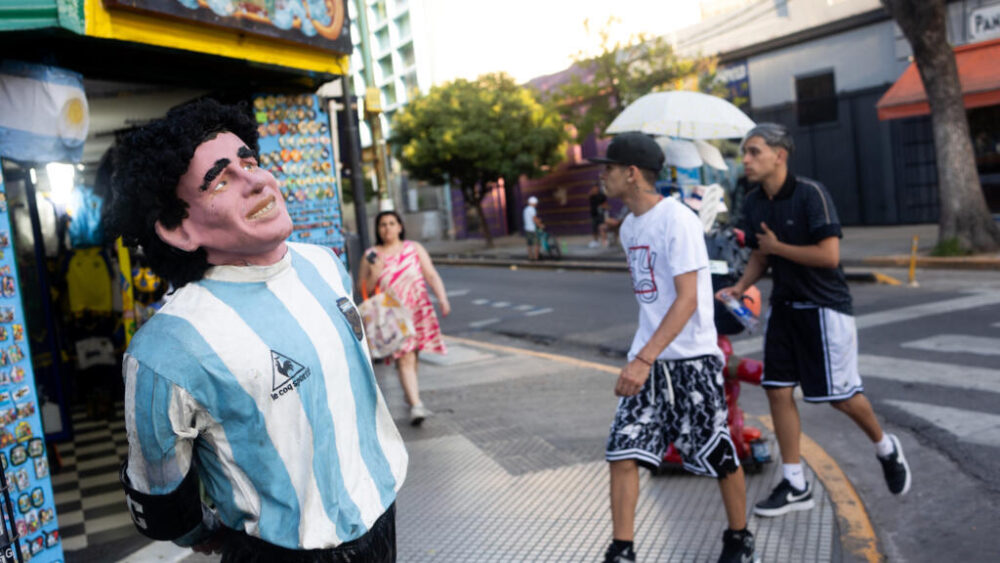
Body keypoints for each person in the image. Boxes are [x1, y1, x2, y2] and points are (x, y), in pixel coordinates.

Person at [105, 98, 407, 562]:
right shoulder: (166, 348)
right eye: (220, 180)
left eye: (250, 161)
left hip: (382, 516)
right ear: (177, 227)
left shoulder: (323, 264)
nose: (257, 180)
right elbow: (159, 492)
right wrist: (202, 532)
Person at [717, 123, 911, 520]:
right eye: (745, 153)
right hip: (784, 310)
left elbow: (829, 257)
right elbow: (760, 256)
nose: (746, 160)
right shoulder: (754, 203)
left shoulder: (811, 194)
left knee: (840, 397)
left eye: (754, 152)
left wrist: (777, 247)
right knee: (777, 389)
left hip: (825, 309)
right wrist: (740, 286)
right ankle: (795, 483)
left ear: (779, 155)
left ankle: (885, 447)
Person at [593, 132, 755, 563]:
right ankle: (621, 551)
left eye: (607, 168)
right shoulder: (630, 227)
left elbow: (686, 300)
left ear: (631, 174)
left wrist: (644, 358)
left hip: (691, 361)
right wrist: (644, 357)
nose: (602, 175)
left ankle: (739, 539)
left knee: (717, 452)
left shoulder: (677, 221)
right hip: (648, 361)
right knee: (622, 450)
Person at [360, 210, 450, 426]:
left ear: (400, 226)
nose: (388, 228)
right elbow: (362, 288)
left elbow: (430, 274)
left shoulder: (414, 248)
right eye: (383, 224)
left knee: (413, 354)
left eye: (392, 223)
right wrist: (375, 273)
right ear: (378, 229)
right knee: (405, 356)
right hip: (393, 316)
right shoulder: (371, 255)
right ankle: (417, 404)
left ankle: (411, 396)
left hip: (418, 308)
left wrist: (442, 298)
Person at [523, 195, 543, 260]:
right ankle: (536, 257)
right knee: (537, 243)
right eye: (535, 203)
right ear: (533, 203)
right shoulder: (532, 209)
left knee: (529, 244)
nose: (536, 204)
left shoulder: (525, 209)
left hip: (527, 229)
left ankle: (530, 257)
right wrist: (540, 225)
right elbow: (534, 219)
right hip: (532, 229)